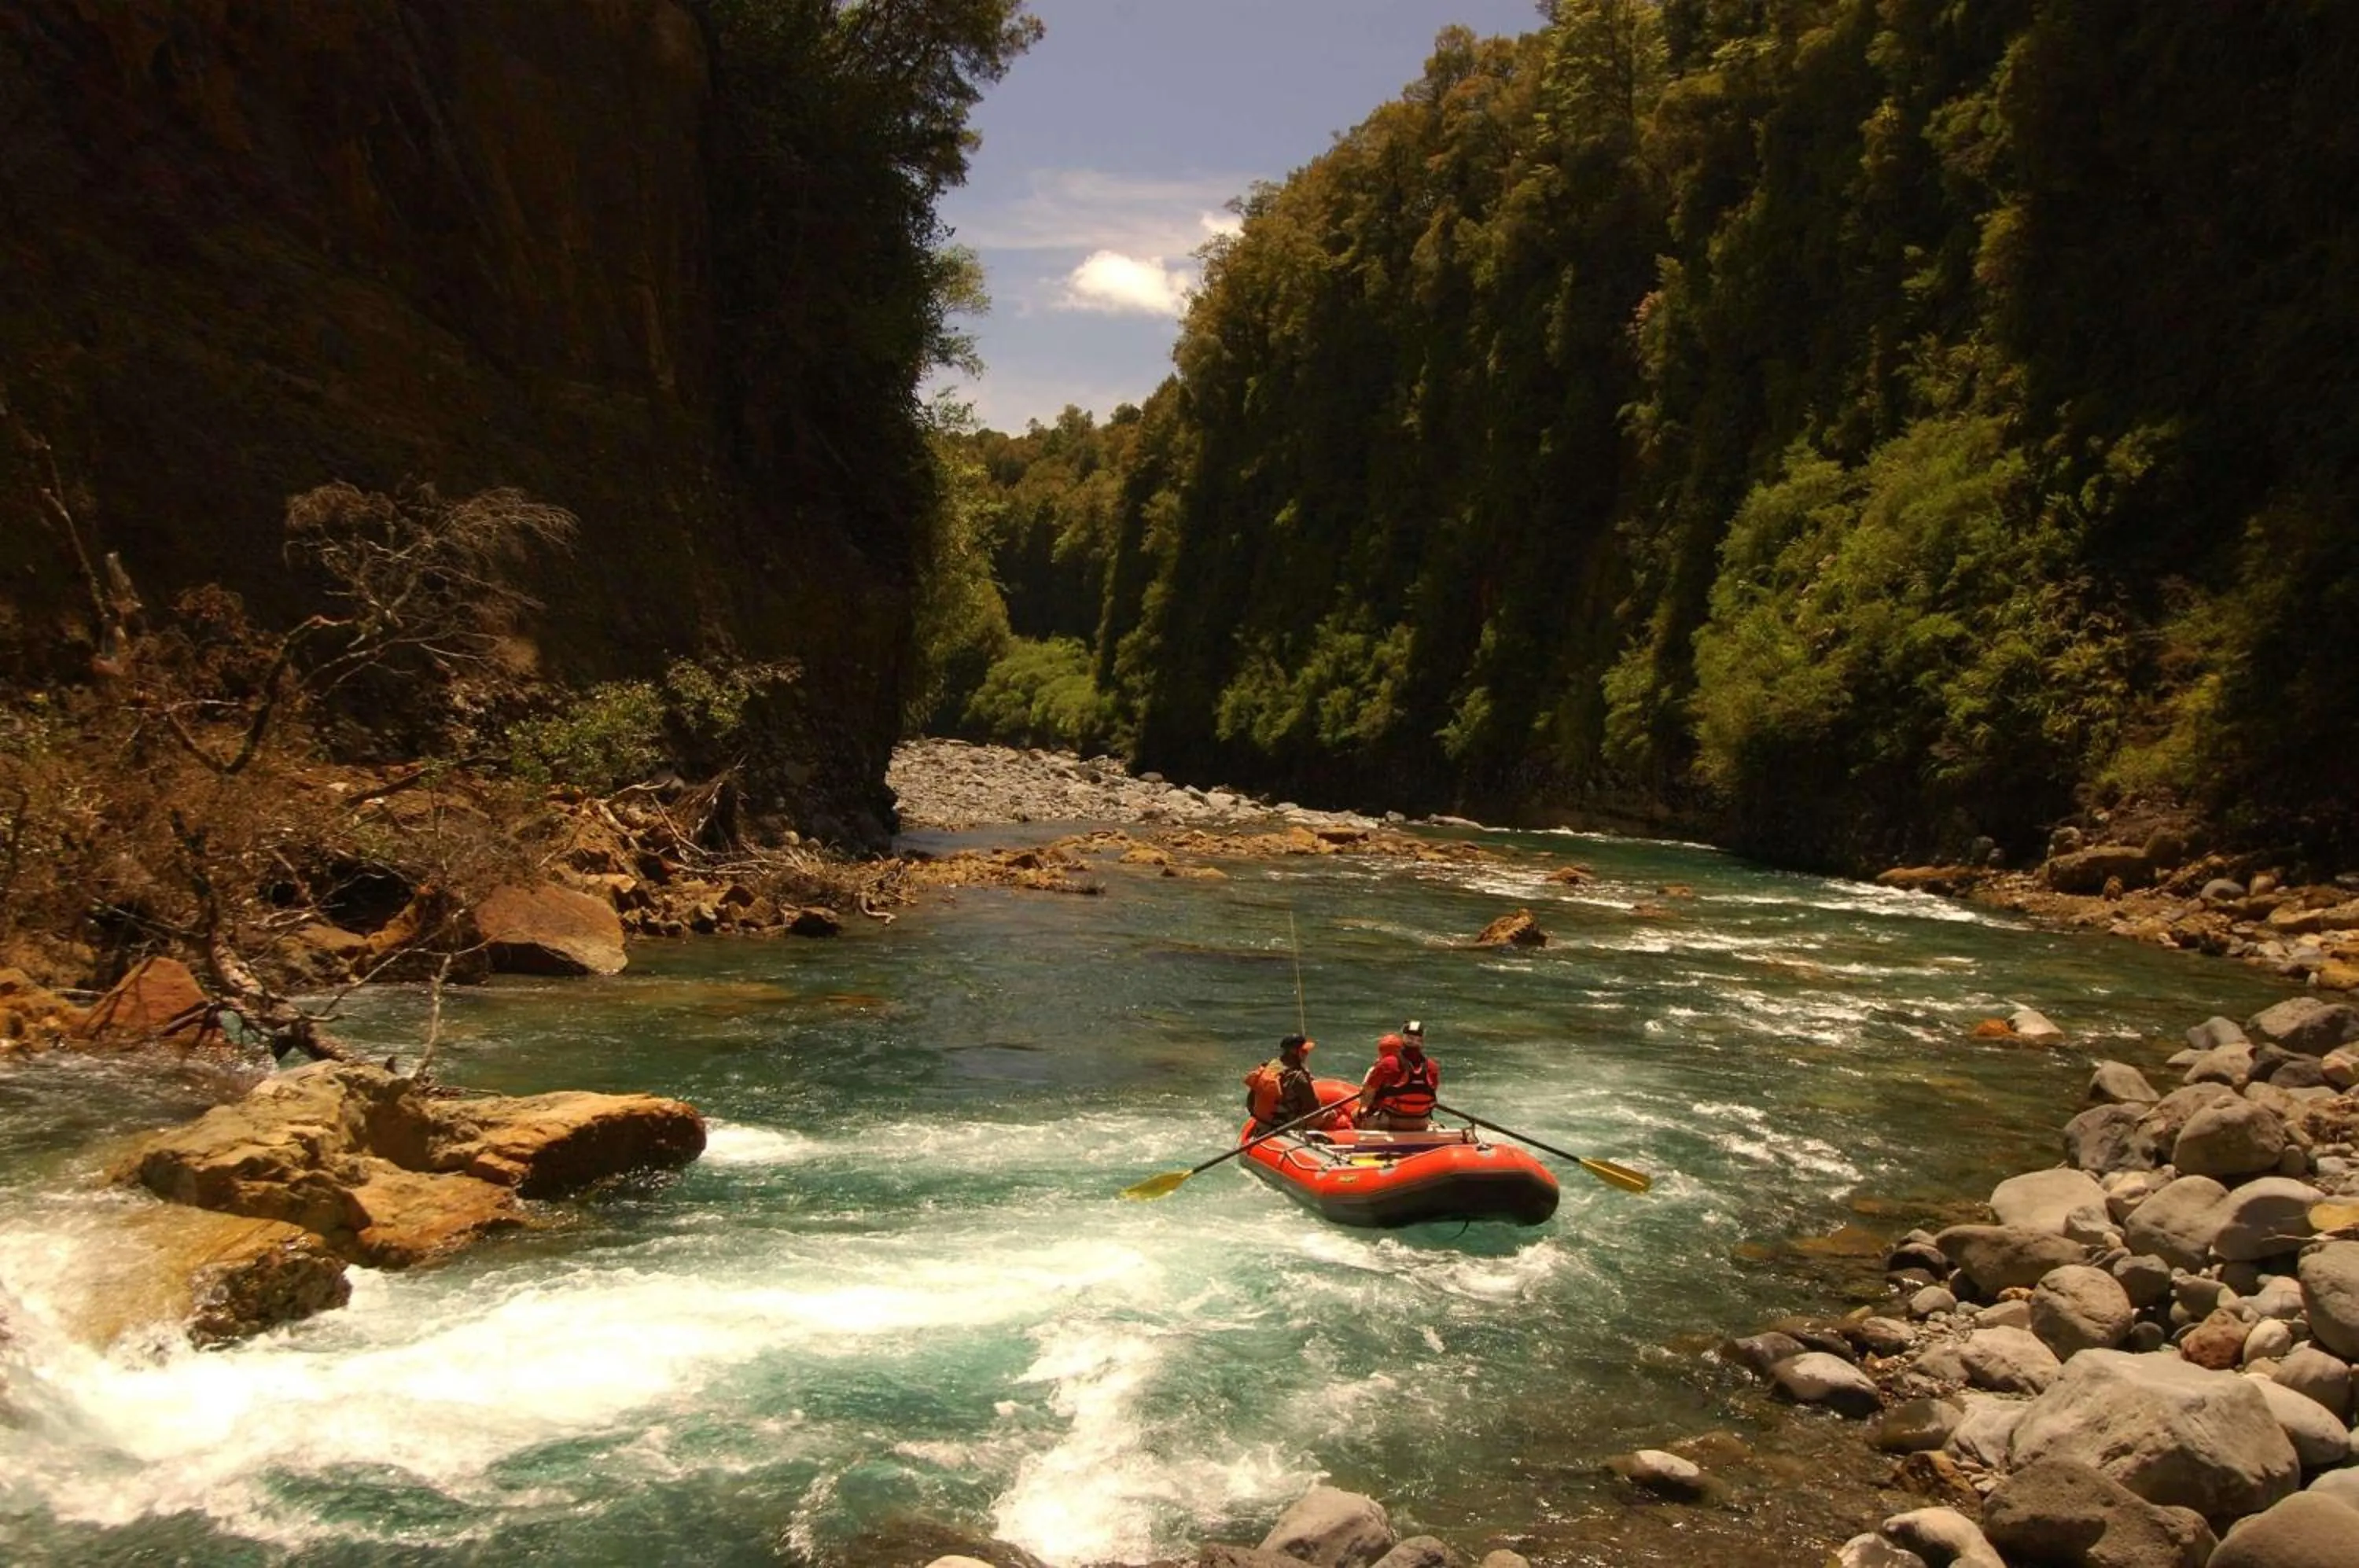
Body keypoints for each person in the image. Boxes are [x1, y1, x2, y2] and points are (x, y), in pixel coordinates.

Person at [1358, 1028, 1439, 1131]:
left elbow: (1367, 1096)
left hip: (1393, 1121)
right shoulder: (1432, 1066)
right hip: (1422, 1122)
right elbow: (1432, 1093)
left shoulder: (1386, 1064)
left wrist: (1363, 1112)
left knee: (1358, 1117)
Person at [1244, 1032, 1323, 1134]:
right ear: (1294, 1052)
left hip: (1262, 1121)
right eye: (1304, 1051)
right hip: (1282, 1125)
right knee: (1327, 1117)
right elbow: (1314, 1108)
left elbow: (1251, 1101)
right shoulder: (1298, 1078)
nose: (1307, 1054)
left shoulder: (1271, 1066)